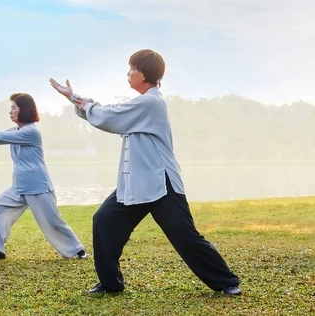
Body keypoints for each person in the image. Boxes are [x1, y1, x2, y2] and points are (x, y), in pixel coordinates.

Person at [49, 49, 241, 295]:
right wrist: (74, 98)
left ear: (145, 74)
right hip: (136, 183)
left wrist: (75, 97)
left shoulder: (150, 102)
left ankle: (227, 282)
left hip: (161, 183)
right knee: (104, 221)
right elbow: (110, 118)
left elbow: (108, 116)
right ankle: (110, 284)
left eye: (133, 68)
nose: (128, 73)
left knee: (185, 236)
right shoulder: (142, 105)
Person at [0, 93, 86, 260]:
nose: (10, 111)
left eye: (13, 108)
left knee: (52, 221)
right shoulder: (16, 130)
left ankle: (77, 250)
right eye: (10, 108)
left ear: (24, 110)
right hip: (19, 186)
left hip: (38, 186)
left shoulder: (31, 131)